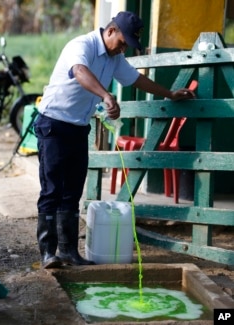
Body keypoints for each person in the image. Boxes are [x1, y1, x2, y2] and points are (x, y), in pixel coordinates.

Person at [34, 11, 196, 269]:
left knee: (73, 192)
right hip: (53, 124)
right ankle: (47, 253)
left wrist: (170, 94)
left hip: (78, 128)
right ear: (110, 31)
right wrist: (107, 96)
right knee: (52, 189)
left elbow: (136, 79)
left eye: (128, 46)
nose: (124, 49)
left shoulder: (115, 57)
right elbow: (79, 71)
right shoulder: (82, 45)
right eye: (122, 42)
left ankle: (67, 252)